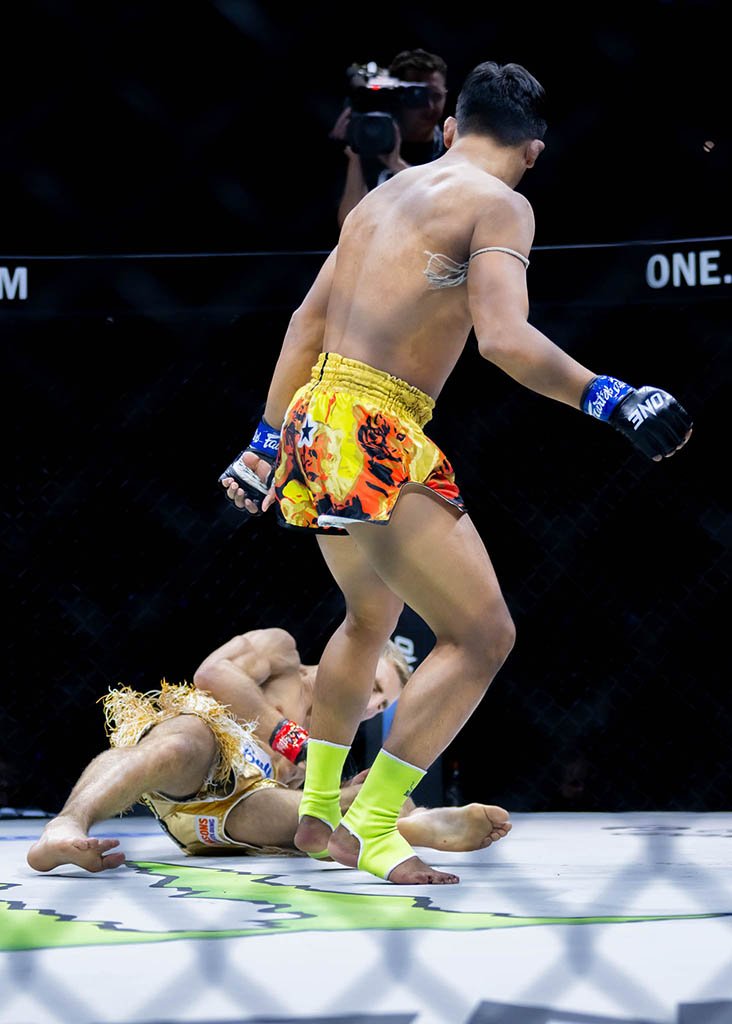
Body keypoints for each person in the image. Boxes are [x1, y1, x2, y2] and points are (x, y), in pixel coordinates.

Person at [219, 60, 693, 886]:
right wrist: (611, 396)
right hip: (375, 427)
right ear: (534, 151)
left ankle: (320, 810)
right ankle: (372, 822)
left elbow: (304, 323)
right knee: (483, 635)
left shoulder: (376, 202)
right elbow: (504, 339)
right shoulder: (501, 202)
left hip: (313, 418)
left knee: (368, 618)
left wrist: (264, 444)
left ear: (447, 129)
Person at [26, 629, 511, 873]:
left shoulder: (331, 738)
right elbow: (213, 675)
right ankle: (65, 826)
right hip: (207, 752)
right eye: (376, 688)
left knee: (336, 806)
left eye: (381, 706)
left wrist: (342, 787)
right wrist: (290, 740)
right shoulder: (283, 655)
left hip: (238, 817)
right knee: (176, 741)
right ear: (355, 664)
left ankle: (412, 825)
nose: (370, 707)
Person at [330, 48, 448, 228]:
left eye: (437, 96)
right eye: (417, 96)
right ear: (397, 97)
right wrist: (355, 156)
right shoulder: (365, 141)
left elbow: (445, 215)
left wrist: (396, 165)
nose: (430, 106)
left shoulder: (451, 148)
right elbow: (349, 225)